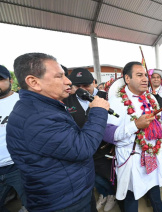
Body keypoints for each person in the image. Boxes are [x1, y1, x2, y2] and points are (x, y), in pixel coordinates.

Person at [6, 53, 110, 211]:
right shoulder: (37, 117)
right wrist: (98, 112)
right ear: (34, 82)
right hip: (64, 202)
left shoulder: (44, 107)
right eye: (59, 76)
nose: (68, 81)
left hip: (72, 192)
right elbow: (83, 148)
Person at [104, 61, 162, 212]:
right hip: (131, 158)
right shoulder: (115, 103)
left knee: (154, 186)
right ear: (127, 79)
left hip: (153, 153)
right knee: (131, 194)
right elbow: (108, 134)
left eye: (145, 75)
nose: (145, 79)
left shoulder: (152, 99)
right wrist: (135, 125)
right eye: (139, 75)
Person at [63, 68, 117, 212]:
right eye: (77, 86)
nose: (82, 90)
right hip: (80, 149)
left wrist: (115, 144)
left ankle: (112, 194)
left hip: (104, 148)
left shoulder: (108, 96)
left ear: (94, 82)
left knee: (108, 176)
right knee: (93, 178)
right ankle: (104, 194)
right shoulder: (66, 100)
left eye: (86, 85)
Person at [0, 65, 27, 212]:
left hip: (18, 166)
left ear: (10, 80)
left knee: (33, 204)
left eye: (0, 79)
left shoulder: (23, 101)